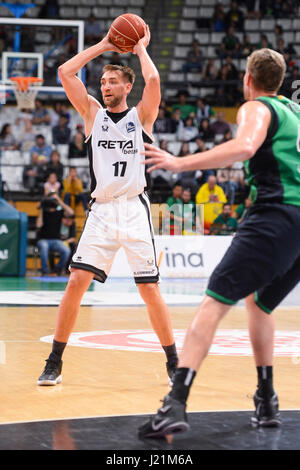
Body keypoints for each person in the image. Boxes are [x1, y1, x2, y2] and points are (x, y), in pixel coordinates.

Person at [139, 48, 300, 438]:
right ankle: (266, 399)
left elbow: (245, 147)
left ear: (248, 80)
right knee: (259, 303)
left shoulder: (257, 108)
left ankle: (175, 402)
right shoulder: (295, 115)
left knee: (214, 301)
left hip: (276, 215)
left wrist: (179, 162)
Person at [37, 25, 179, 387]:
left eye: (113, 81)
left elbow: (154, 80)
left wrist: (141, 47)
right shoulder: (92, 114)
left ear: (127, 87)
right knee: (75, 283)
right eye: (103, 81)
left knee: (149, 289)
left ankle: (174, 363)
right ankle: (55, 360)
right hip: (101, 210)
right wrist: (104, 44)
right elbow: (65, 73)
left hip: (133, 208)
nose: (105, 85)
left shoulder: (140, 118)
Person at [36, 191, 74, 276]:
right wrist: (42, 207)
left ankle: (57, 269)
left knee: (66, 250)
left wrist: (59, 201)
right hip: (43, 239)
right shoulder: (44, 211)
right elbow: (39, 225)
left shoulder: (59, 212)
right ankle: (45, 271)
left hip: (56, 240)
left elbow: (71, 213)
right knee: (44, 247)